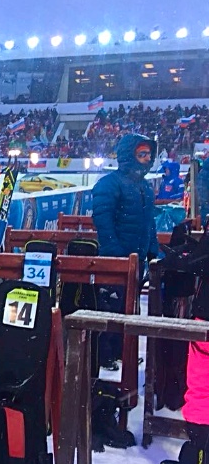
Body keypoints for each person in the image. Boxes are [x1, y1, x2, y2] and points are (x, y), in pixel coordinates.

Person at [91, 133, 158, 370]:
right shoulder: (109, 184)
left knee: (130, 307)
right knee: (111, 307)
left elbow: (149, 221)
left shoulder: (144, 186)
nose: (146, 158)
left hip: (137, 259)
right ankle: (104, 354)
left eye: (148, 154)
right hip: (116, 260)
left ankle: (121, 350)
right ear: (129, 155)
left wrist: (153, 251)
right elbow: (103, 221)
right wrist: (116, 254)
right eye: (141, 154)